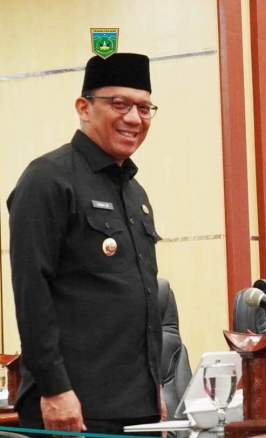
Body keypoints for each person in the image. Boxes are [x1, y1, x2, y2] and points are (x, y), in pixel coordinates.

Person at [7, 53, 165, 434]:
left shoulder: (135, 191)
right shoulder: (48, 179)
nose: (133, 118)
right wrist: (55, 389)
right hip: (74, 408)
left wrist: (153, 388)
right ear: (84, 108)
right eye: (119, 104)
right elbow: (32, 291)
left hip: (137, 407)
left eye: (144, 108)